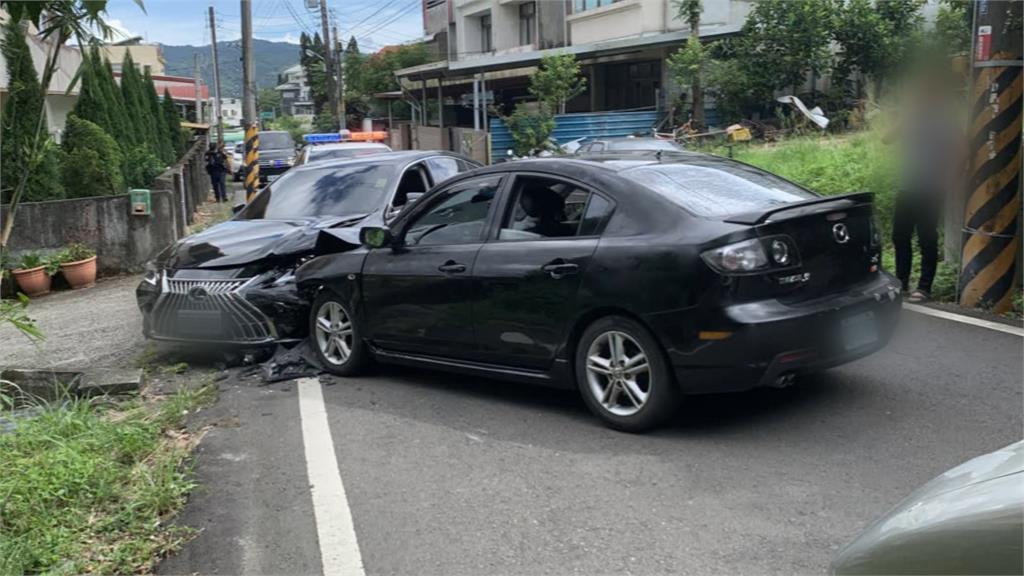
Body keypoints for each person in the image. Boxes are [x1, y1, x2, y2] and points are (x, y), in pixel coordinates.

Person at [885, 67, 964, 303]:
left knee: (926, 237)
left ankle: (924, 287)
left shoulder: (945, 119)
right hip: (907, 185)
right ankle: (901, 282)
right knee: (900, 236)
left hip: (932, 188)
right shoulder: (911, 119)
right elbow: (887, 138)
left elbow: (963, 150)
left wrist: (950, 179)